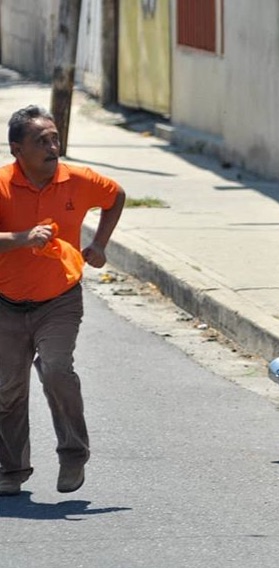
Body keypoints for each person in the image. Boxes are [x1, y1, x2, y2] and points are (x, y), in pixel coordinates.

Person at [0, 105, 126, 496]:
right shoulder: (2, 184)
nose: (54, 146)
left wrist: (100, 244)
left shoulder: (78, 180)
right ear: (17, 149)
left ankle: (73, 454)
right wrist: (21, 239)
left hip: (60, 297)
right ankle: (11, 470)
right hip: (6, 301)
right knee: (7, 388)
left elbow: (116, 196)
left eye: (55, 138)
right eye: (42, 141)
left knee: (56, 369)